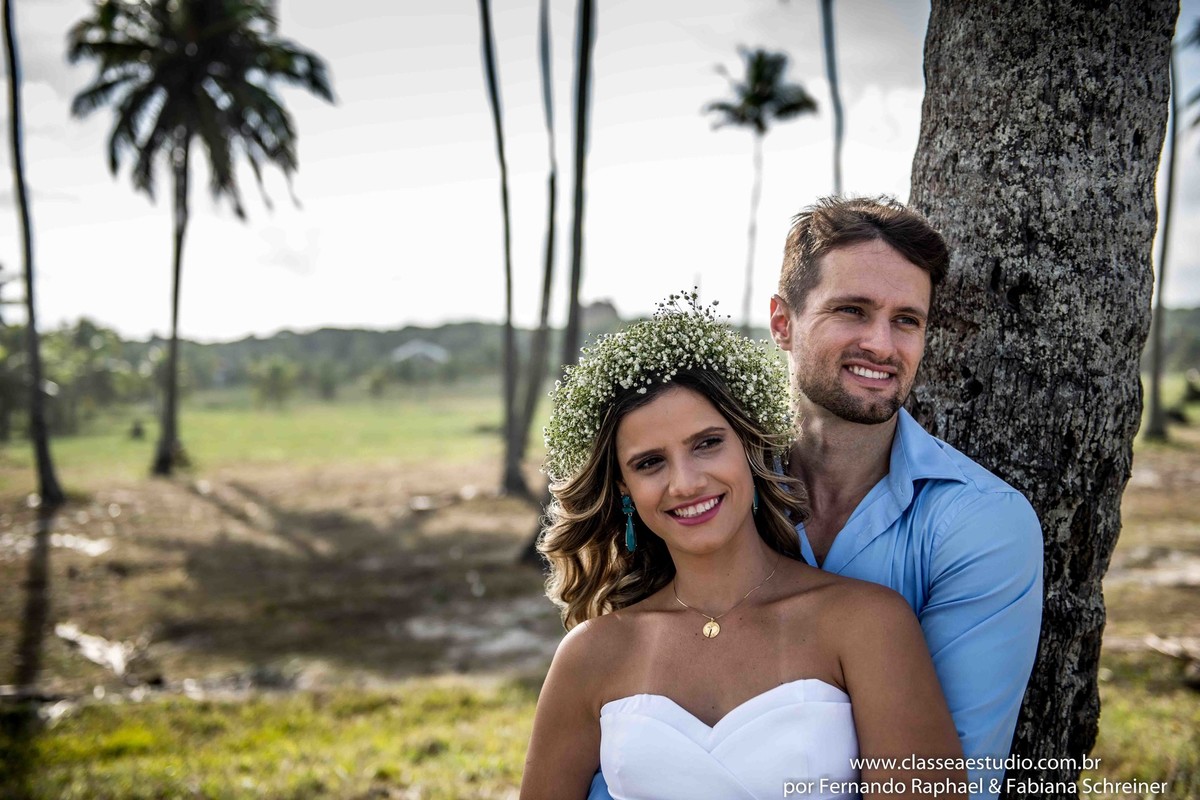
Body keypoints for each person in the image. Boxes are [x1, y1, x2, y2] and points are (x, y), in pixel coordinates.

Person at [582, 197, 1044, 800]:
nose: (881, 344)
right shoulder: (703, 490)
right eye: (852, 311)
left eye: (907, 320)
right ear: (782, 322)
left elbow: (949, 780)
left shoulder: (981, 524)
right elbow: (620, 734)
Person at [520, 293, 966, 800]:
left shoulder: (867, 624)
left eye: (707, 443)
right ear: (624, 488)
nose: (685, 483)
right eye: (649, 463)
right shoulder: (591, 654)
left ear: (749, 445)